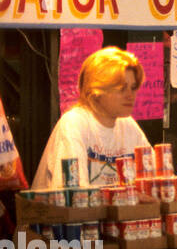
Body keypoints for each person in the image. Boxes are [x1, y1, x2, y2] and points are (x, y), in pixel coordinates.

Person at [33, 47, 151, 189]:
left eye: (133, 88)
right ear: (96, 90)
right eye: (121, 88)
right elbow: (75, 194)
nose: (130, 95)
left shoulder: (128, 125)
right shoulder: (74, 123)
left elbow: (154, 180)